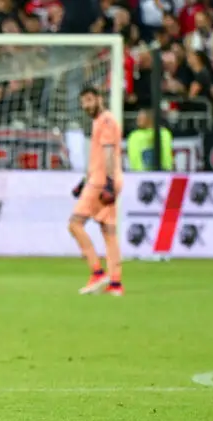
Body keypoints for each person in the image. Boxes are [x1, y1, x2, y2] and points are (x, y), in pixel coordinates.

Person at [69, 86, 124, 297]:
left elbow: (109, 153)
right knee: (108, 231)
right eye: (83, 102)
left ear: (100, 99)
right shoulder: (99, 121)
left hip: (102, 182)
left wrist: (107, 183)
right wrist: (84, 182)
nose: (86, 105)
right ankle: (116, 283)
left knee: (75, 224)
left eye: (90, 100)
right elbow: (99, 157)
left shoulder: (106, 121)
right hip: (102, 179)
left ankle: (97, 271)